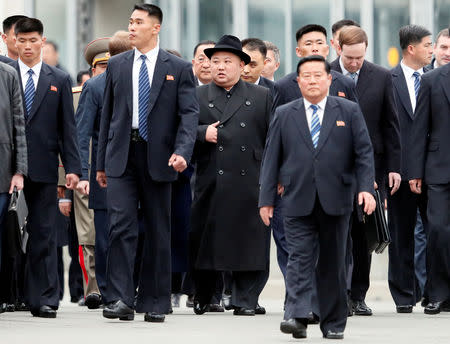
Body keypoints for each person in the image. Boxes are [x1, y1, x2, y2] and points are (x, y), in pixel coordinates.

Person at [259, 55, 375, 340]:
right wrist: (266, 199)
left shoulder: (347, 110)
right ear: (298, 82)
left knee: (333, 263)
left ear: (328, 79)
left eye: (317, 75)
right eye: (305, 76)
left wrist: (366, 189)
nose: (311, 80)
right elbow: (271, 158)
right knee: (299, 257)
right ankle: (296, 315)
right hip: (296, 198)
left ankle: (333, 323)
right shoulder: (285, 113)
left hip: (336, 199)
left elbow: (363, 152)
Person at [97, 4, 198, 323]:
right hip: (121, 155)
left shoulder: (178, 67)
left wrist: (183, 150)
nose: (132, 27)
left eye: (138, 22)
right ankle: (122, 298)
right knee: (121, 226)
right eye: (130, 21)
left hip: (160, 157)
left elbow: (189, 114)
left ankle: (155, 301)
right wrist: (100, 163)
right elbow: (108, 118)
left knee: (157, 228)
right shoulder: (117, 65)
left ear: (156, 28)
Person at [189, 35, 271, 316]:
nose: (220, 67)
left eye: (227, 62)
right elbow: (178, 132)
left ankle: (245, 298)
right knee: (206, 238)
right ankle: (206, 295)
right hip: (210, 178)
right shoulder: (196, 95)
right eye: (215, 62)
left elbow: (273, 139)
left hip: (251, 179)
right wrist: (202, 133)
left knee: (249, 240)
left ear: (241, 65)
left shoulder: (261, 96)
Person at [11, 17, 81, 318]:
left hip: (44, 166)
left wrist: (73, 169)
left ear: (42, 41)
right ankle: (11, 294)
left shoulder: (59, 79)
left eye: (33, 40)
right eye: (22, 40)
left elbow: (68, 129)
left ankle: (45, 298)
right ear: (14, 41)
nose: (27, 46)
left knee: (44, 234)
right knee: (9, 234)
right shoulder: (4, 74)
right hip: (8, 167)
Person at [331, 25, 401, 316]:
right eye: (349, 58)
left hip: (370, 169)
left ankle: (357, 294)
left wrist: (394, 169)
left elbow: (391, 125)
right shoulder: (322, 74)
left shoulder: (382, 77)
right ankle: (336, 294)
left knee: (362, 235)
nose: (354, 63)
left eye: (359, 57)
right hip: (332, 169)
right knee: (336, 235)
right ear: (338, 49)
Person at [388, 25, 433, 313]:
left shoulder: (435, 79)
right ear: (411, 49)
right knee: (401, 235)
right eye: (428, 45)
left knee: (436, 235)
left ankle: (434, 292)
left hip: (433, 171)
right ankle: (404, 296)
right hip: (399, 172)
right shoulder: (387, 80)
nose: (431, 50)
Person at [409, 28, 450, 315]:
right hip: (438, 170)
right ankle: (437, 293)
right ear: (434, 48)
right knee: (436, 231)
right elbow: (418, 128)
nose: (448, 52)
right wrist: (415, 171)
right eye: (444, 47)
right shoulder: (430, 80)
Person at [75, 36, 111, 309]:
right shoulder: (84, 92)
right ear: (92, 70)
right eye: (102, 66)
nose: (107, 71)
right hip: (88, 175)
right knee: (90, 236)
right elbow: (77, 138)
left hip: (117, 172)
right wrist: (79, 176)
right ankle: (95, 288)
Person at [0, 61, 27, 316]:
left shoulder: (8, 75)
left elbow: (19, 127)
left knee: (3, 239)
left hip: (3, 173)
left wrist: (19, 171)